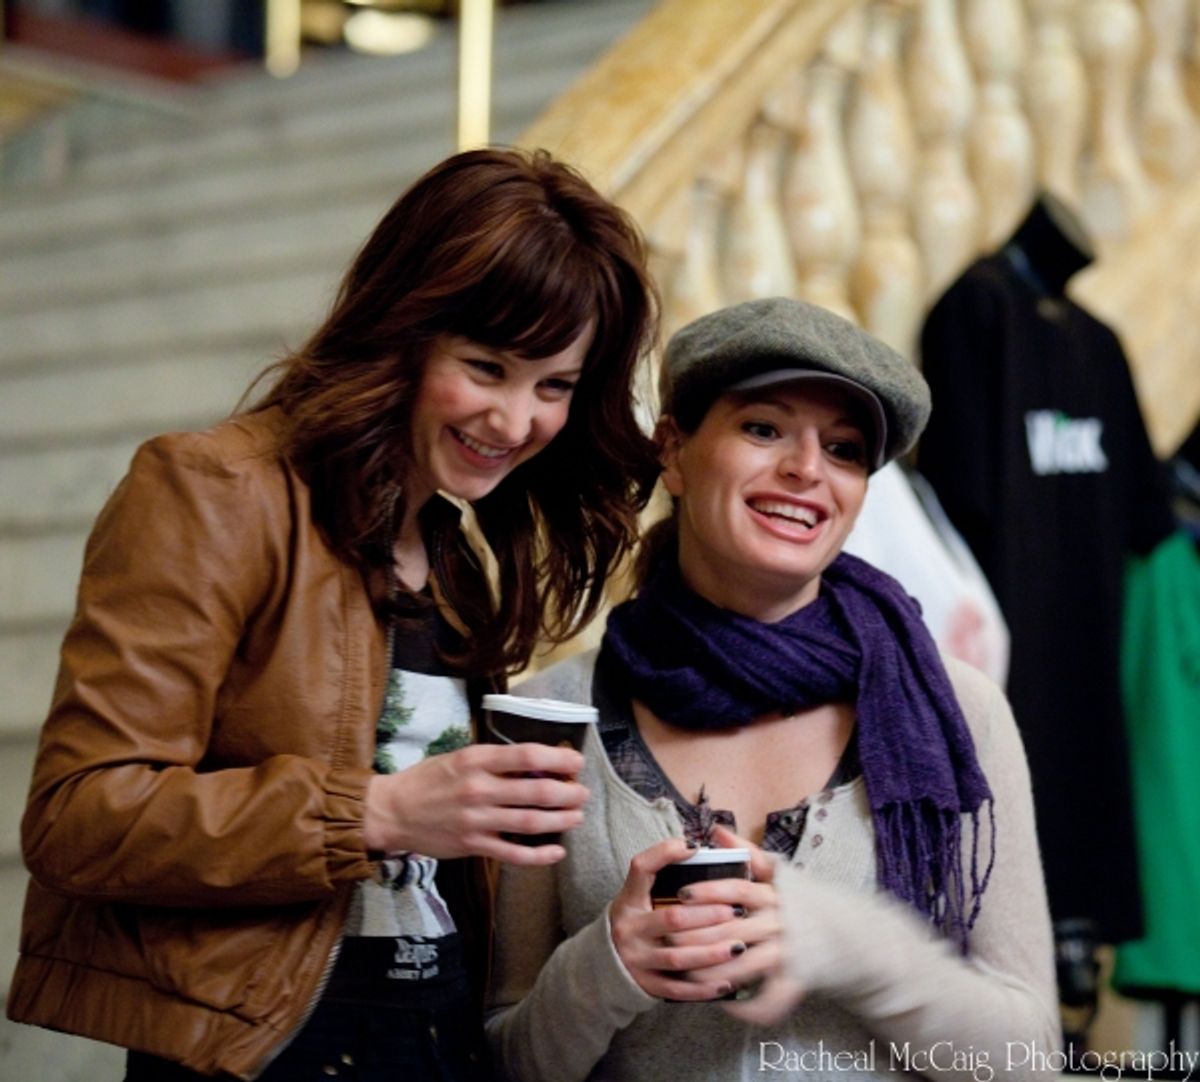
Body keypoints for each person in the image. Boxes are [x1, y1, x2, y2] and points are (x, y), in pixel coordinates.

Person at [7, 147, 660, 1082]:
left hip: (430, 1042)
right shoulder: (213, 491)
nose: (516, 421)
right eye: (487, 368)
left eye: (553, 386)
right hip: (263, 1052)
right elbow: (81, 815)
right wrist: (381, 810)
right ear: (405, 330)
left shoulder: (451, 549)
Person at [487, 296, 1061, 1081]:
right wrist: (605, 966)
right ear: (675, 449)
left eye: (846, 449)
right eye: (764, 428)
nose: (806, 470)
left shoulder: (952, 708)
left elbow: (1031, 1057)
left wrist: (852, 945)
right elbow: (503, 1054)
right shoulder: (556, 718)